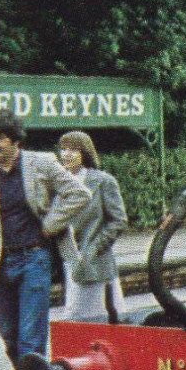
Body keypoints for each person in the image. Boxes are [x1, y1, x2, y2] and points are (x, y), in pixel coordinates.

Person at [0, 110, 89, 370]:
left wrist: (50, 225)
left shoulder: (40, 163)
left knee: (30, 336)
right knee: (8, 336)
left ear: (14, 140)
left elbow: (78, 193)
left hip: (34, 259)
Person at [55, 131, 128, 323]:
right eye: (63, 149)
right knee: (74, 322)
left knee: (98, 321)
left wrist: (93, 248)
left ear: (85, 153)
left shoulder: (103, 181)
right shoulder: (57, 182)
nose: (66, 154)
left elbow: (118, 220)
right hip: (67, 261)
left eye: (73, 150)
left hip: (95, 263)